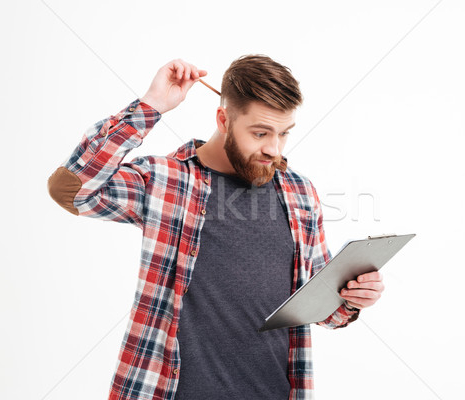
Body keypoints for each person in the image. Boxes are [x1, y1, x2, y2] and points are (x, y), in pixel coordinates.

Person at [47, 55, 385, 400]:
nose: (274, 148)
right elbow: (71, 190)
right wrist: (150, 107)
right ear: (223, 119)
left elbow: (322, 307)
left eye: (284, 133)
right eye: (260, 133)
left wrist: (353, 297)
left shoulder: (300, 192)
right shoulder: (167, 181)